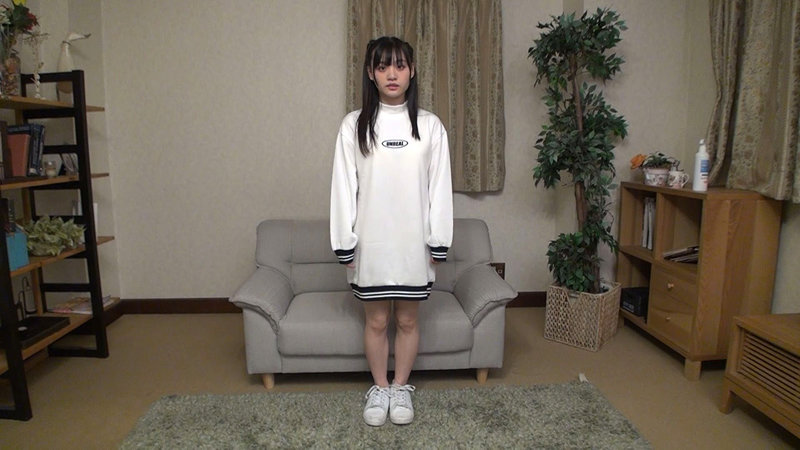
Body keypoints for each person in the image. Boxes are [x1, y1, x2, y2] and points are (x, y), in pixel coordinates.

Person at [330, 36, 453, 426]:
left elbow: (439, 189)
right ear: (371, 73)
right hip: (372, 245)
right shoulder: (354, 125)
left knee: (408, 321)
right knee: (377, 321)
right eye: (383, 67)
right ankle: (380, 388)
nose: (392, 74)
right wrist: (345, 243)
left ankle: (401, 388)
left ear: (412, 70)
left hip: (413, 245)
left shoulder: (430, 126)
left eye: (400, 65)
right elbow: (343, 188)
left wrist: (438, 241)